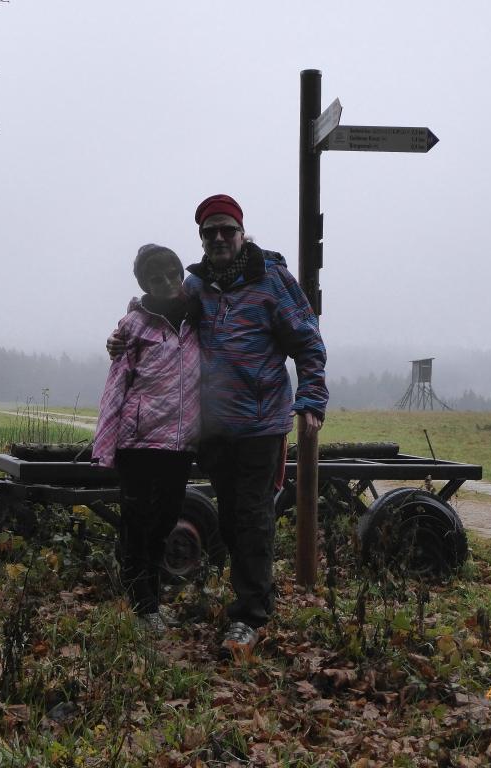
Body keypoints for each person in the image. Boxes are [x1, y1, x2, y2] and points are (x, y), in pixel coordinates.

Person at [109, 195, 328, 659]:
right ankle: (242, 597)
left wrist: (311, 399)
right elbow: (157, 308)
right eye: (210, 233)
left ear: (242, 231)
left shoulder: (272, 280)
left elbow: (307, 343)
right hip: (212, 430)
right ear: (202, 239)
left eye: (227, 229)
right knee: (229, 520)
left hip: (261, 423)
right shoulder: (197, 285)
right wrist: (123, 328)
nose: (219, 238)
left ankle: (249, 616)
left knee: (251, 518)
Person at [93, 244, 202, 635]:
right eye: (158, 279)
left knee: (166, 522)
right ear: (144, 284)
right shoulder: (132, 328)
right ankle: (142, 608)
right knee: (137, 524)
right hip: (137, 443)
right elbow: (116, 385)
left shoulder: (197, 317)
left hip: (180, 444)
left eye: (173, 273)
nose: (169, 283)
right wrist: (104, 445)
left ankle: (148, 602)